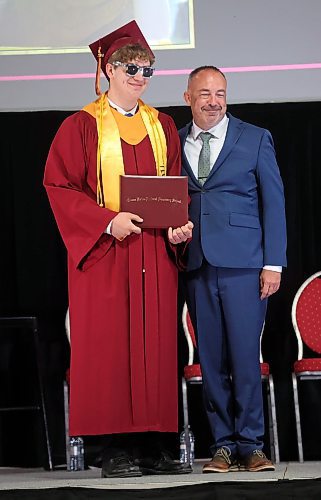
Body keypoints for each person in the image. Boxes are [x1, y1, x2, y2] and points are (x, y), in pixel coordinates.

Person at [44, 20, 193, 478]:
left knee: (155, 347)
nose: (140, 77)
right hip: (108, 254)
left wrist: (175, 229)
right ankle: (114, 451)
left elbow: (170, 190)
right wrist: (108, 220)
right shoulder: (81, 126)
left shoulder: (163, 125)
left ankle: (154, 446)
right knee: (110, 350)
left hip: (153, 254)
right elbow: (60, 186)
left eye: (148, 70)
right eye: (131, 68)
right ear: (109, 69)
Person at [179, 66, 287, 473]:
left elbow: (273, 204)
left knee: (244, 356)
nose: (214, 100)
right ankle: (222, 445)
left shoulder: (255, 138)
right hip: (197, 263)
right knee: (210, 359)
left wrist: (273, 263)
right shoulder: (173, 142)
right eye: (204, 93)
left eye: (220, 93)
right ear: (188, 97)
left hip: (245, 264)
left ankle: (252, 444)